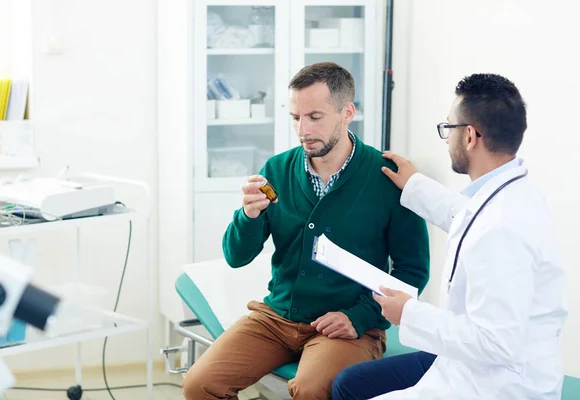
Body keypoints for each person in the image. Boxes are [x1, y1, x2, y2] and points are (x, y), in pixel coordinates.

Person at [182, 62, 430, 400]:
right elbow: (235, 257)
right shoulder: (277, 169)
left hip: (346, 326)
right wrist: (248, 216)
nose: (302, 130)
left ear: (347, 113)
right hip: (276, 318)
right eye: (296, 118)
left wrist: (359, 316)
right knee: (200, 385)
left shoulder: (387, 177)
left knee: (312, 389)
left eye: (315, 117)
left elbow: (412, 272)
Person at [332, 73, 568, 400]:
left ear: (470, 135)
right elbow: (466, 217)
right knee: (350, 383)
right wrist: (415, 185)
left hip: (498, 384)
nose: (446, 139)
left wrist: (409, 313)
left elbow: (495, 342)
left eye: (448, 128)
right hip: (473, 364)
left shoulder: (501, 227)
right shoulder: (510, 192)